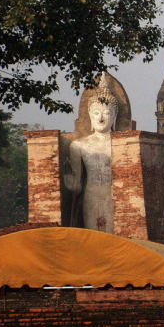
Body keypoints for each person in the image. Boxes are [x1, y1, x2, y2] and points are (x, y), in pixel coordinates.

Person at [62, 74, 117, 232]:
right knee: (94, 238)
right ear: (90, 116)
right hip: (91, 195)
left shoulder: (122, 144)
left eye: (106, 113)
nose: (100, 118)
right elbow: (77, 185)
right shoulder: (79, 145)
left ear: (114, 117)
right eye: (96, 113)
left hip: (114, 194)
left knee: (114, 237)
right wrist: (68, 180)